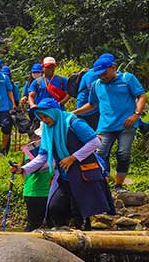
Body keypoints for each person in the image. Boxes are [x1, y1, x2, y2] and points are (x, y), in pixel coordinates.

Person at [11, 98, 113, 229]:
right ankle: (63, 233)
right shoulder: (48, 131)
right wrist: (22, 169)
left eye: (45, 116)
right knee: (55, 207)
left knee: (80, 210)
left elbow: (95, 142)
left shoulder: (73, 122)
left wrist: (73, 157)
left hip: (82, 174)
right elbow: (42, 157)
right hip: (64, 176)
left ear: (54, 112)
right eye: (41, 117)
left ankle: (82, 238)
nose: (44, 120)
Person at [74, 53, 146, 192]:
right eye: (99, 75)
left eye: (105, 73)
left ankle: (118, 185)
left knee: (123, 154)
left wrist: (136, 115)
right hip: (105, 126)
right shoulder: (97, 84)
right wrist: (74, 113)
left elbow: (141, 96)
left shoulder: (127, 78)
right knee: (100, 154)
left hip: (127, 124)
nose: (102, 77)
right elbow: (92, 104)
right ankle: (103, 184)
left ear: (113, 68)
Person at [20, 128, 53, 231]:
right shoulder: (33, 149)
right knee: (33, 224)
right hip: (35, 192)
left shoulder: (52, 147)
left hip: (48, 191)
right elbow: (31, 167)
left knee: (51, 223)